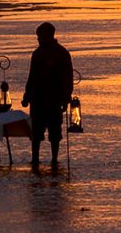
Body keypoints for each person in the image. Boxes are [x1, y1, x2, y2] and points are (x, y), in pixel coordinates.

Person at [21, 22, 73, 168]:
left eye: (40, 36)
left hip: (54, 100)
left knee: (54, 133)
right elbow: (32, 77)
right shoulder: (37, 53)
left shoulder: (62, 53)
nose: (38, 39)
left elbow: (68, 78)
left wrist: (66, 98)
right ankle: (35, 159)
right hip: (37, 100)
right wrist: (27, 96)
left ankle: (54, 160)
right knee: (36, 133)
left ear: (49, 35)